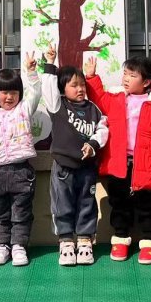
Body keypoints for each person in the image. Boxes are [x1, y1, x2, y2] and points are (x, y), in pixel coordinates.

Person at [86, 55, 151, 265]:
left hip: (147, 164)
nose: (126, 78)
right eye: (125, 74)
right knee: (119, 203)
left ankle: (150, 241)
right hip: (119, 163)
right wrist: (91, 77)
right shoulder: (116, 98)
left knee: (149, 205)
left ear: (146, 81)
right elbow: (98, 98)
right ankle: (120, 238)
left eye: (132, 75)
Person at [38, 46, 108, 266]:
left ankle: (85, 240)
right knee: (62, 204)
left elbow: (103, 129)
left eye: (82, 85)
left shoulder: (93, 109)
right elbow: (48, 88)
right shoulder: (58, 105)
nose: (80, 89)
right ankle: (66, 241)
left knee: (87, 203)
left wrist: (93, 145)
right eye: (74, 85)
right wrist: (50, 63)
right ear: (63, 88)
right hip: (62, 167)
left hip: (87, 168)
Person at [0, 61, 42, 267]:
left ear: (19, 94)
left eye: (13, 92)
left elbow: (36, 92)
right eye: (4, 92)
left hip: (21, 171)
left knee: (21, 212)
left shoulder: (24, 109)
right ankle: (1, 246)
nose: (9, 97)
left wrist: (31, 72)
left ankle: (19, 245)